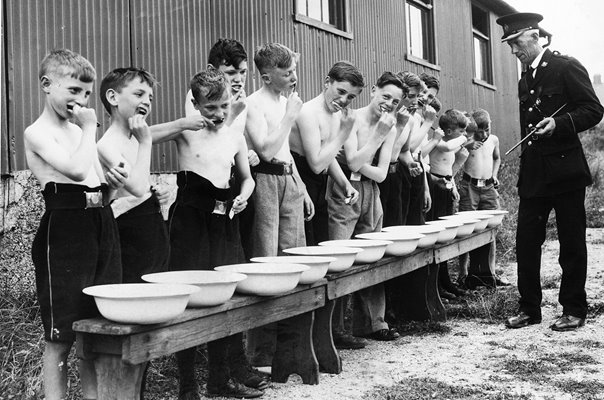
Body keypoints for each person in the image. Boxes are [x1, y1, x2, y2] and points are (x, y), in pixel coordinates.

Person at [23, 49, 126, 400]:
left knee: (95, 332)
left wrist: (113, 181)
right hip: (65, 231)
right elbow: (78, 172)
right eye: (73, 91)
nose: (81, 100)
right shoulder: (38, 132)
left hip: (100, 226)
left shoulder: (80, 132)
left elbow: (101, 190)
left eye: (86, 92)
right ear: (46, 85)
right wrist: (90, 128)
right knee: (60, 336)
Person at [155, 69, 264, 399]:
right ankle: (187, 384)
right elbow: (142, 134)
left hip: (225, 220)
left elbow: (246, 177)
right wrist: (182, 124)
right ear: (195, 103)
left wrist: (245, 193)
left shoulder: (234, 135)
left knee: (224, 295)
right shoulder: (187, 132)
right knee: (188, 296)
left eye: (224, 106)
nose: (218, 114)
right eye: (209, 107)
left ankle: (221, 378)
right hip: (190, 222)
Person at [496, 12, 604, 331]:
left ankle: (573, 308)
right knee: (526, 241)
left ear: (534, 36)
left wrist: (559, 123)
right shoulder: (523, 79)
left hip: (566, 170)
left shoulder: (565, 66)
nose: (514, 51)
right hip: (534, 172)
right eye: (510, 45)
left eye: (516, 43)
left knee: (571, 242)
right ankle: (529, 308)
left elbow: (593, 110)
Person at [244, 43, 314, 366]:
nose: (294, 77)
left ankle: (290, 347)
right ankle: (260, 353)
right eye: (287, 73)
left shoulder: (286, 101)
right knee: (267, 262)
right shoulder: (252, 105)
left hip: (289, 181)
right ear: (267, 77)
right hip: (265, 183)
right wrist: (290, 115)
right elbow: (267, 150)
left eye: (294, 71)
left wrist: (302, 187)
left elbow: (285, 153)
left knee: (292, 260)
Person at [327, 71, 404, 343]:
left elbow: (382, 174)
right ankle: (333, 329)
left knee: (372, 254)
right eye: (385, 96)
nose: (388, 104)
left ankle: (372, 322)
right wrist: (376, 139)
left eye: (395, 102)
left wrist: (364, 159)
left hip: (371, 192)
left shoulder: (391, 126)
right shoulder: (352, 118)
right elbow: (352, 163)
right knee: (340, 256)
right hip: (344, 189)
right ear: (373, 90)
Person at [183, 39, 259, 260]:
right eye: (231, 72)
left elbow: (236, 139)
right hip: (206, 187)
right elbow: (205, 139)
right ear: (211, 70)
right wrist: (233, 112)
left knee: (241, 247)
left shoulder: (240, 97)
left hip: (236, 180)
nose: (238, 79)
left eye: (243, 72)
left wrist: (247, 153)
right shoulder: (195, 96)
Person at [96, 68, 171, 285]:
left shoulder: (134, 139)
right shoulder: (106, 145)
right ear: (113, 97)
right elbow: (136, 189)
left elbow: (142, 186)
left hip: (152, 226)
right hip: (130, 230)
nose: (147, 101)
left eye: (150, 97)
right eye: (139, 94)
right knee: (138, 288)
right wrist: (146, 142)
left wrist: (157, 191)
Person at [289, 60, 362, 247]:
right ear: (327, 82)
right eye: (341, 92)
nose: (344, 100)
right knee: (305, 246)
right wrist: (344, 133)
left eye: (351, 97)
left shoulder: (337, 115)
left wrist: (345, 184)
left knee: (322, 242)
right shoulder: (308, 112)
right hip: (299, 179)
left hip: (320, 184)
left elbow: (327, 156)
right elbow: (316, 164)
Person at [457, 108, 509, 289]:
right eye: (480, 130)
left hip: (488, 188)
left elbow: (497, 158)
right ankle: (463, 272)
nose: (485, 134)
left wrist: (494, 175)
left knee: (491, 228)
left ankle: (491, 272)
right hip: (469, 187)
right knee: (466, 229)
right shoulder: (466, 141)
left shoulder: (493, 140)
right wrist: (466, 145)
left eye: (487, 129)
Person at [426, 109, 469, 301]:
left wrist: (452, 186)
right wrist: (465, 138)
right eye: (460, 132)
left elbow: (448, 169)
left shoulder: (451, 143)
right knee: (436, 236)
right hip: (434, 187)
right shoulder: (441, 141)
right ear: (451, 130)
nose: (463, 136)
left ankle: (445, 281)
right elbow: (446, 147)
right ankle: (436, 285)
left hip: (445, 185)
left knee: (445, 237)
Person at [396, 71, 434, 225]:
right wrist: (428, 124)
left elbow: (412, 153)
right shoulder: (395, 117)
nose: (422, 99)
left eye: (429, 96)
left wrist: (424, 186)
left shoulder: (413, 118)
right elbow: (411, 148)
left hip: (412, 169)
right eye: (412, 95)